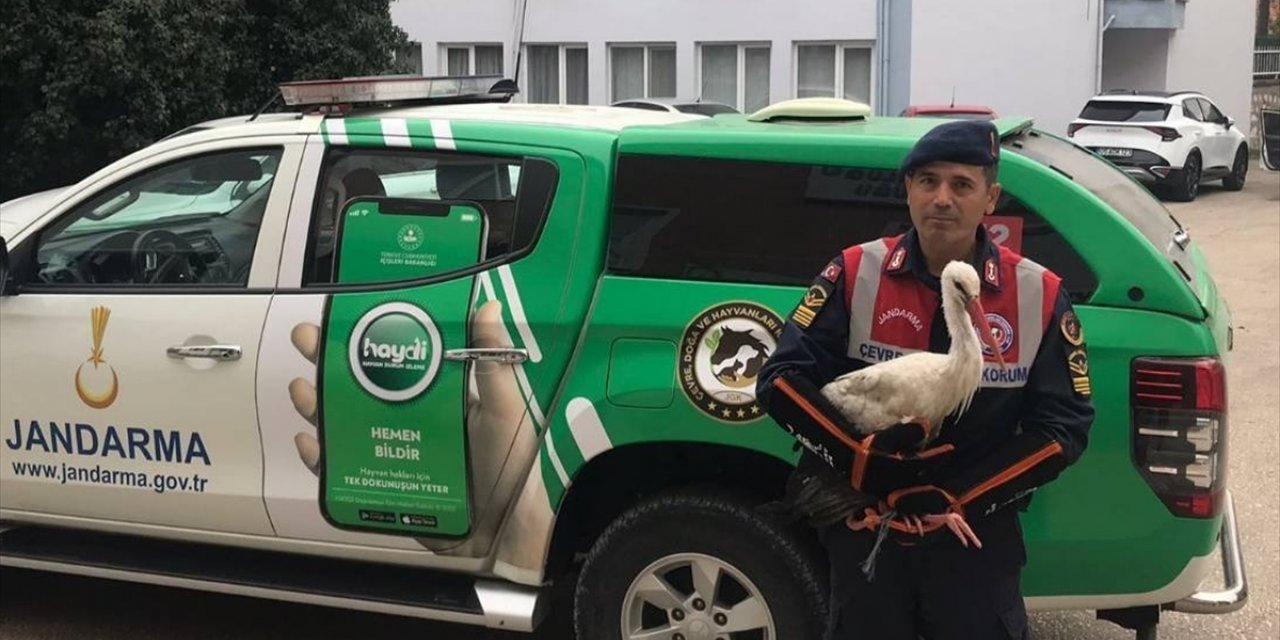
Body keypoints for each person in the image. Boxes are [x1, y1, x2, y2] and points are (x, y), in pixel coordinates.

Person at [756, 120, 1094, 640]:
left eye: (962, 184)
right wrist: (859, 462)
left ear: (990, 198)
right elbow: (780, 382)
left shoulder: (1040, 294)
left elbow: (1063, 429)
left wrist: (958, 500)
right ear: (908, 189)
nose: (942, 198)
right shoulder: (853, 271)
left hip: (975, 542)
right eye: (928, 181)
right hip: (865, 533)